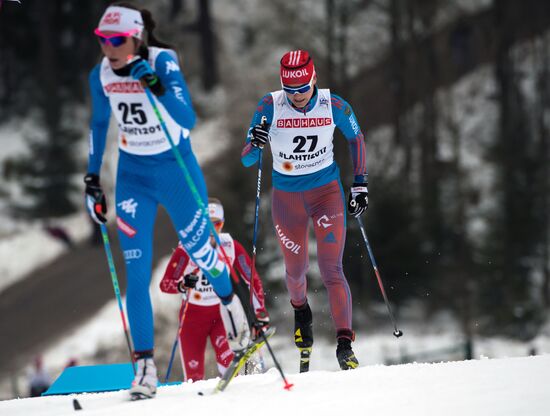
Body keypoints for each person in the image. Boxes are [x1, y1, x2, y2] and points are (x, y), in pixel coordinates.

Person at [85, 3, 250, 399]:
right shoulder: (102, 74)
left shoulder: (163, 61)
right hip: (133, 177)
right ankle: (144, 369)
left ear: (136, 37)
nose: (109, 47)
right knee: (136, 272)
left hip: (175, 169)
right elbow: (98, 124)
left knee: (200, 251)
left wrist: (156, 86)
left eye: (117, 39)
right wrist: (92, 178)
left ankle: (233, 310)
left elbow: (188, 118)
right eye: (103, 40)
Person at [241, 50, 368, 370]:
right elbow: (246, 159)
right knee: (295, 271)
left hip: (326, 194)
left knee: (331, 269)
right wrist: (254, 142)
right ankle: (301, 310)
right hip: (287, 199)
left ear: (314, 80)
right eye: (290, 91)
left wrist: (360, 183)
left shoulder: (334, 105)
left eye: (302, 90)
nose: (296, 98)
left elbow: (356, 139)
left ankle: (344, 344)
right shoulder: (269, 106)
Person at [160, 198, 270, 381]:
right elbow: (165, 284)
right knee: (193, 379)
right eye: (207, 225)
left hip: (221, 315)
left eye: (216, 224)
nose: (211, 230)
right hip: (192, 320)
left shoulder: (229, 246)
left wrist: (260, 313)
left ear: (222, 224)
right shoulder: (186, 249)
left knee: (230, 369)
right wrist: (182, 284)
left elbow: (252, 279)